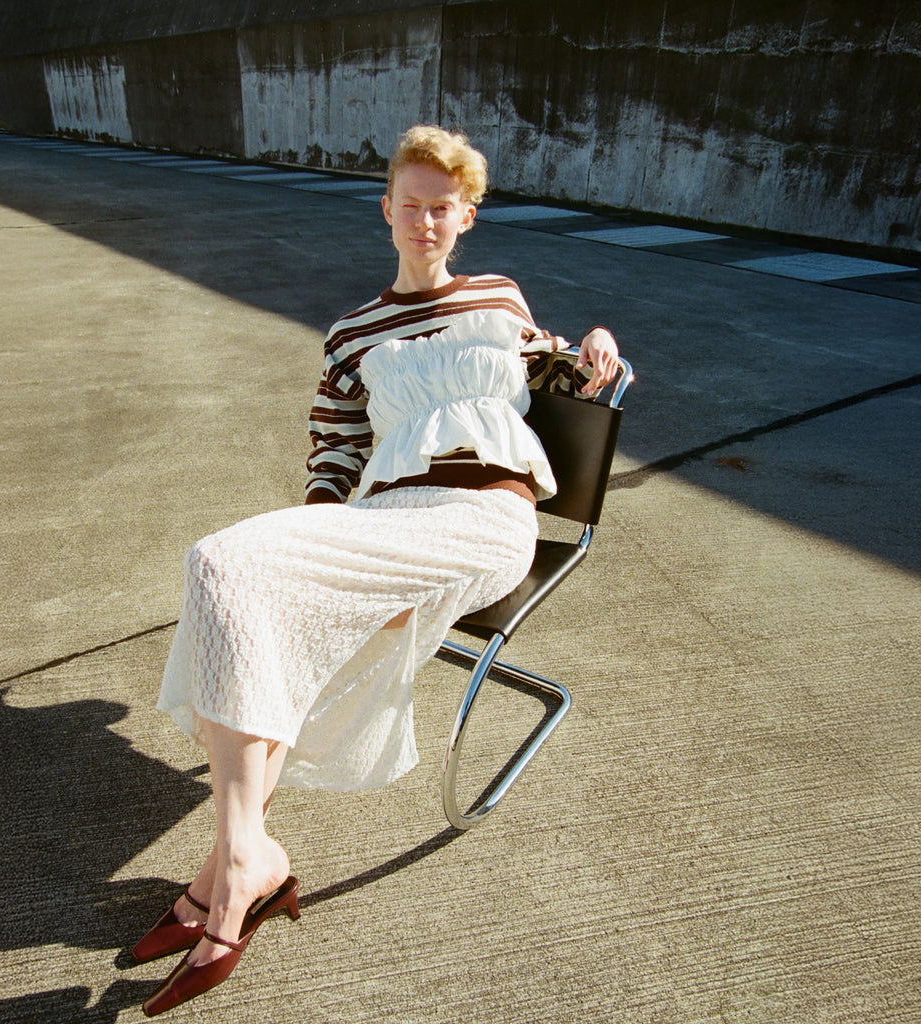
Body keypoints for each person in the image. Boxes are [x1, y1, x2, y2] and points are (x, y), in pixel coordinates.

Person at [134, 125, 620, 1016]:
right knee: (227, 568)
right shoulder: (351, 333)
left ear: (466, 217)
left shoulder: (499, 299)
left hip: (485, 518)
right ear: (386, 208)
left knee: (243, 586)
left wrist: (592, 348)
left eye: (444, 207)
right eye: (412, 204)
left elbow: (557, 379)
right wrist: (320, 537)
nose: (426, 221)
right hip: (383, 516)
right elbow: (333, 453)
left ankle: (231, 871)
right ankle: (241, 860)